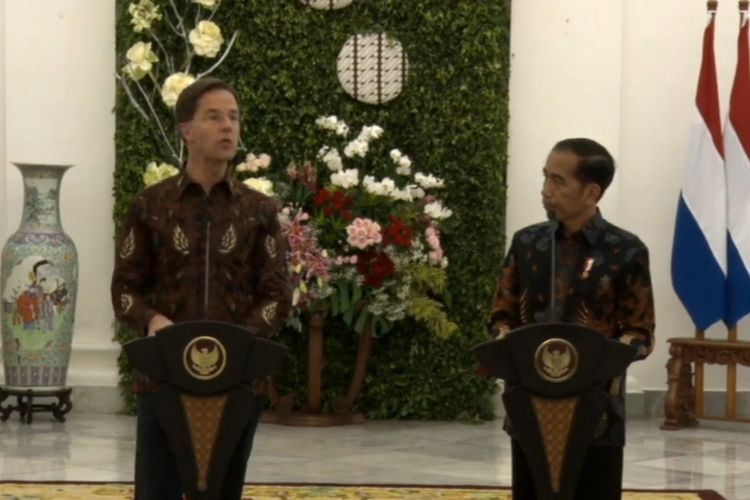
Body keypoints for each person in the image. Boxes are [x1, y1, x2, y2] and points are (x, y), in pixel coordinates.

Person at [111, 77, 292, 500]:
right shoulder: (150, 205)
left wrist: (239, 342)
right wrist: (155, 323)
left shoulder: (258, 209)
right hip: (163, 378)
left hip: (236, 382)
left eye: (234, 117)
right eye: (214, 117)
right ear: (186, 130)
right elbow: (124, 290)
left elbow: (278, 295)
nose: (228, 127)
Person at [488, 138, 655, 500]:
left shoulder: (626, 251)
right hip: (530, 405)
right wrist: (503, 342)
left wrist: (603, 359)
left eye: (558, 181)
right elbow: (502, 315)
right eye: (545, 177)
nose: (546, 191)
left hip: (596, 413)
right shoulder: (526, 243)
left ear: (591, 192)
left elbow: (640, 332)